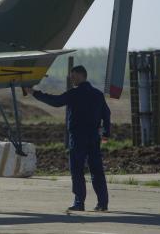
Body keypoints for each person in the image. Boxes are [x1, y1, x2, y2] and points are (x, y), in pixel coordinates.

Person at [25, 65, 110, 212]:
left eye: (73, 76)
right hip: (94, 138)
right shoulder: (97, 94)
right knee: (97, 170)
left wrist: (34, 93)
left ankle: (79, 203)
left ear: (80, 75)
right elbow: (106, 114)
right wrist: (106, 134)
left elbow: (56, 101)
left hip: (78, 138)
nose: (71, 79)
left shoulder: (74, 93)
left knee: (77, 170)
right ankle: (102, 203)